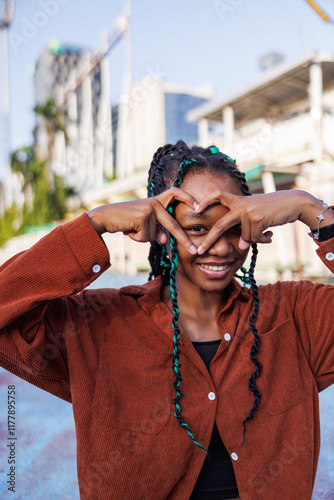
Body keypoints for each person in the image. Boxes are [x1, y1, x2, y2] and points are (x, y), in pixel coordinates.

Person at [1, 140, 334, 500]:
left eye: (234, 226)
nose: (220, 247)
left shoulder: (295, 315)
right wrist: (94, 225)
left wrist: (309, 208)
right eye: (196, 228)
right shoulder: (95, 326)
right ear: (162, 230)